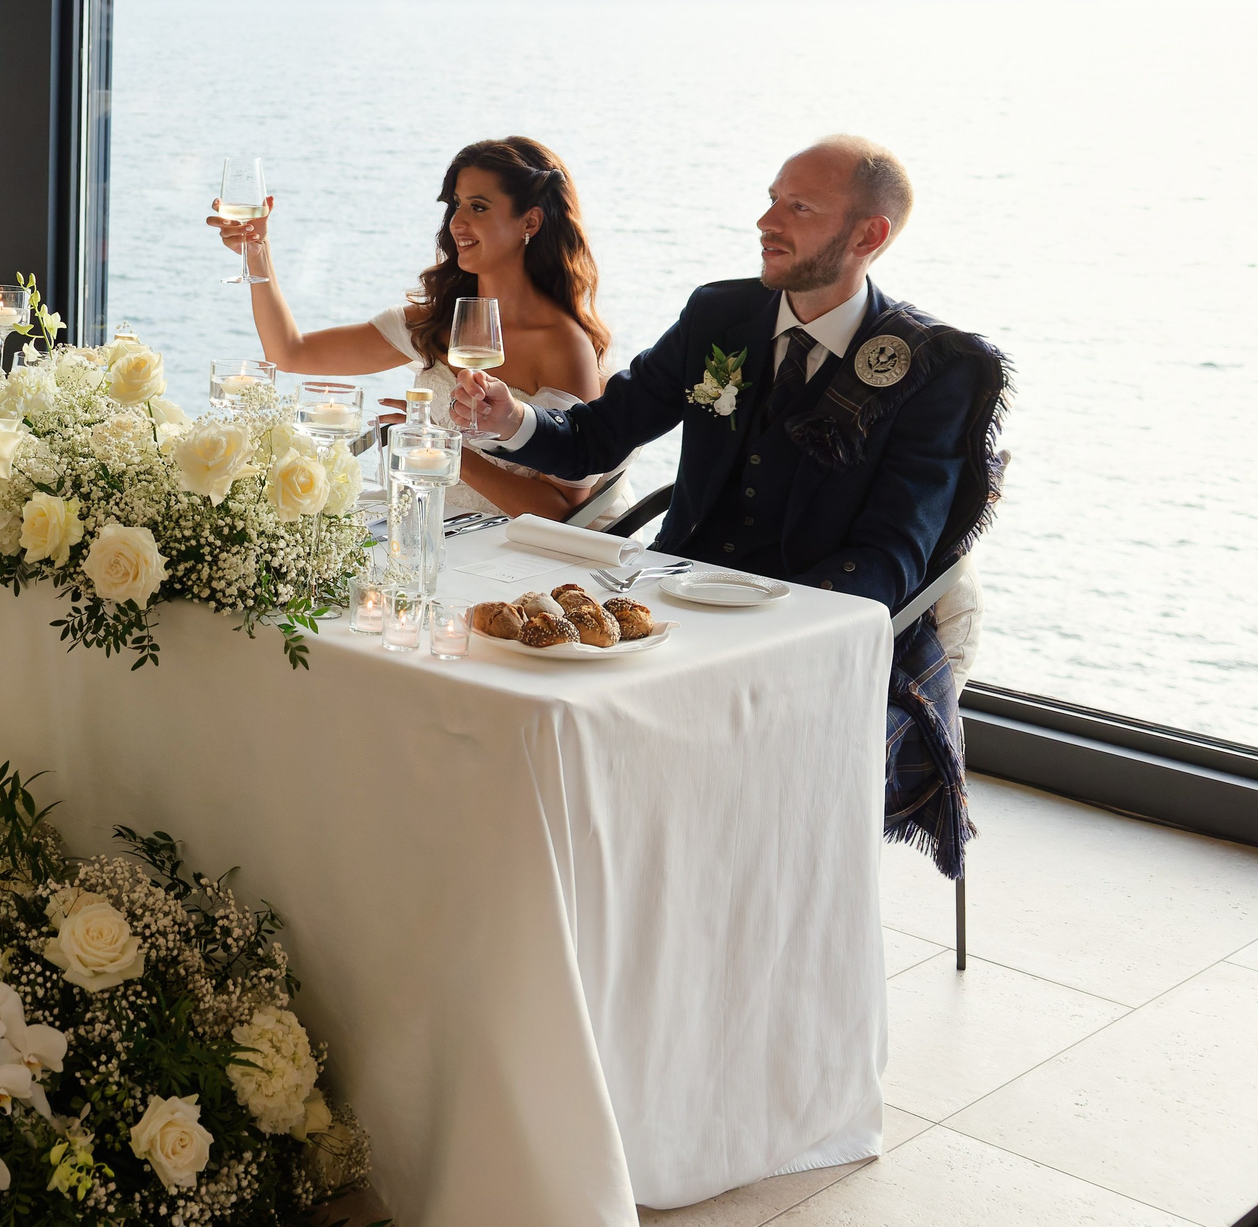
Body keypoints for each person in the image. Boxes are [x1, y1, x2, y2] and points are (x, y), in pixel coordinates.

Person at [452, 136, 1006, 876]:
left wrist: (759, 635)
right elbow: (597, 435)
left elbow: (891, 559)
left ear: (868, 235)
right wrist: (508, 422)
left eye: (799, 206)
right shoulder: (721, 314)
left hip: (803, 633)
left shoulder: (936, 369)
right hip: (670, 605)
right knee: (516, 704)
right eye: (773, 196)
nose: (766, 219)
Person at [208, 136, 615, 520]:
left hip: (506, 563)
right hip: (415, 531)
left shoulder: (562, 346)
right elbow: (288, 354)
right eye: (455, 205)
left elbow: (561, 510)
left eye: (478, 207)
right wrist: (256, 252)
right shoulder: (432, 323)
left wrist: (442, 447)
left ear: (530, 221)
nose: (457, 222)